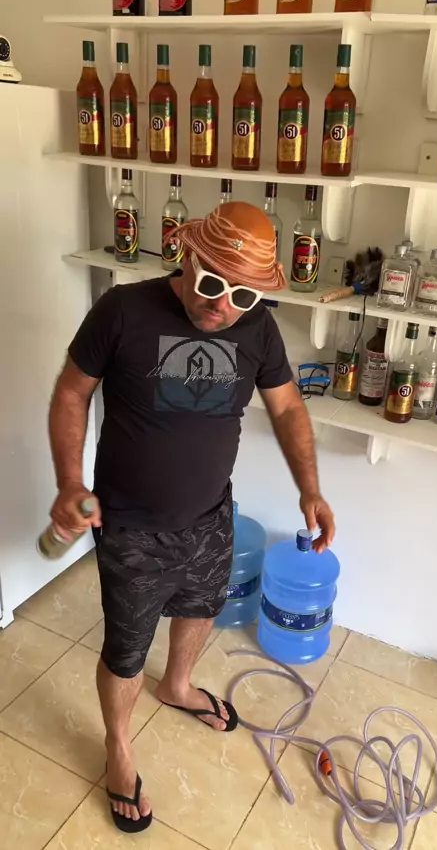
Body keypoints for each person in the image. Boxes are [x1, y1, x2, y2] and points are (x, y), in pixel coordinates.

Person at [48, 201, 335, 834]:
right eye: (211, 284)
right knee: (126, 650)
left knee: (201, 607)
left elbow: (288, 408)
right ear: (189, 255)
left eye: (242, 296)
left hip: (210, 514)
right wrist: (70, 481)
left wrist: (310, 489)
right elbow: (72, 391)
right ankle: (118, 747)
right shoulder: (123, 310)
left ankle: (178, 685)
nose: (222, 307)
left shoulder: (257, 328)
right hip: (130, 525)